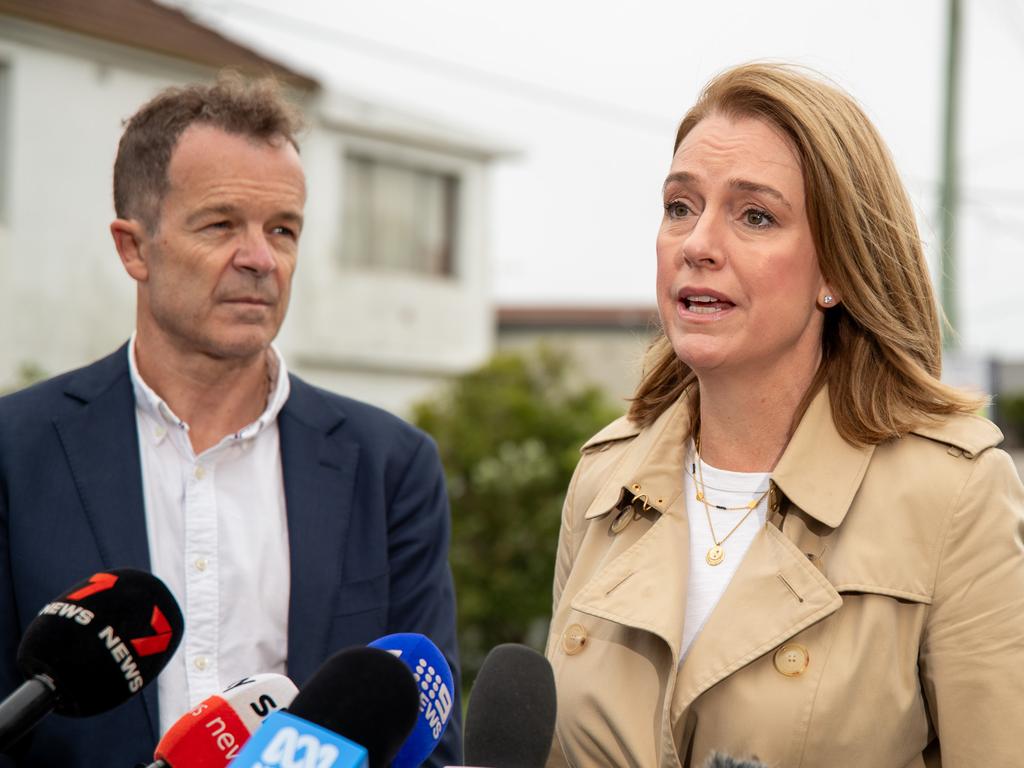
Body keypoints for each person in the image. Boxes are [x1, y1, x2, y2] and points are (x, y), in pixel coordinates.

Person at [545, 63, 1024, 767]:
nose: (698, 244)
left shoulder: (954, 491)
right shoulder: (605, 477)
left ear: (836, 268)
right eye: (680, 206)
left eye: (755, 216)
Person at [0, 74, 461, 767]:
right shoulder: (16, 451)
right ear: (134, 248)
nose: (260, 258)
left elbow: (427, 736)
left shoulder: (391, 466)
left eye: (283, 229)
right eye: (221, 224)